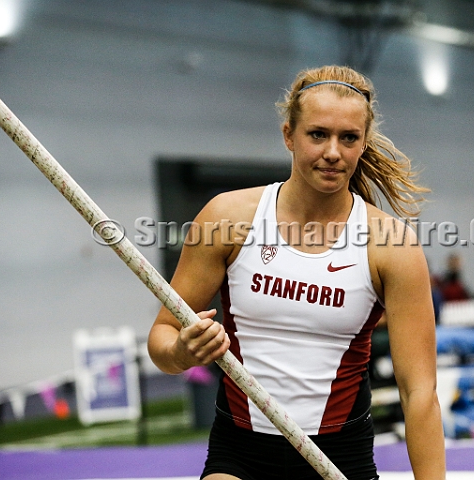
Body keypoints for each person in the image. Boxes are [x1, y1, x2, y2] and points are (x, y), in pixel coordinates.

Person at [148, 66, 445, 479]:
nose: (333, 152)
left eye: (349, 138)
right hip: (240, 455)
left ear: (363, 144)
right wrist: (182, 352)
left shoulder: (391, 245)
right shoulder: (228, 218)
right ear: (289, 135)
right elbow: (161, 338)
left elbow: (420, 394)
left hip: (339, 459)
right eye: (318, 134)